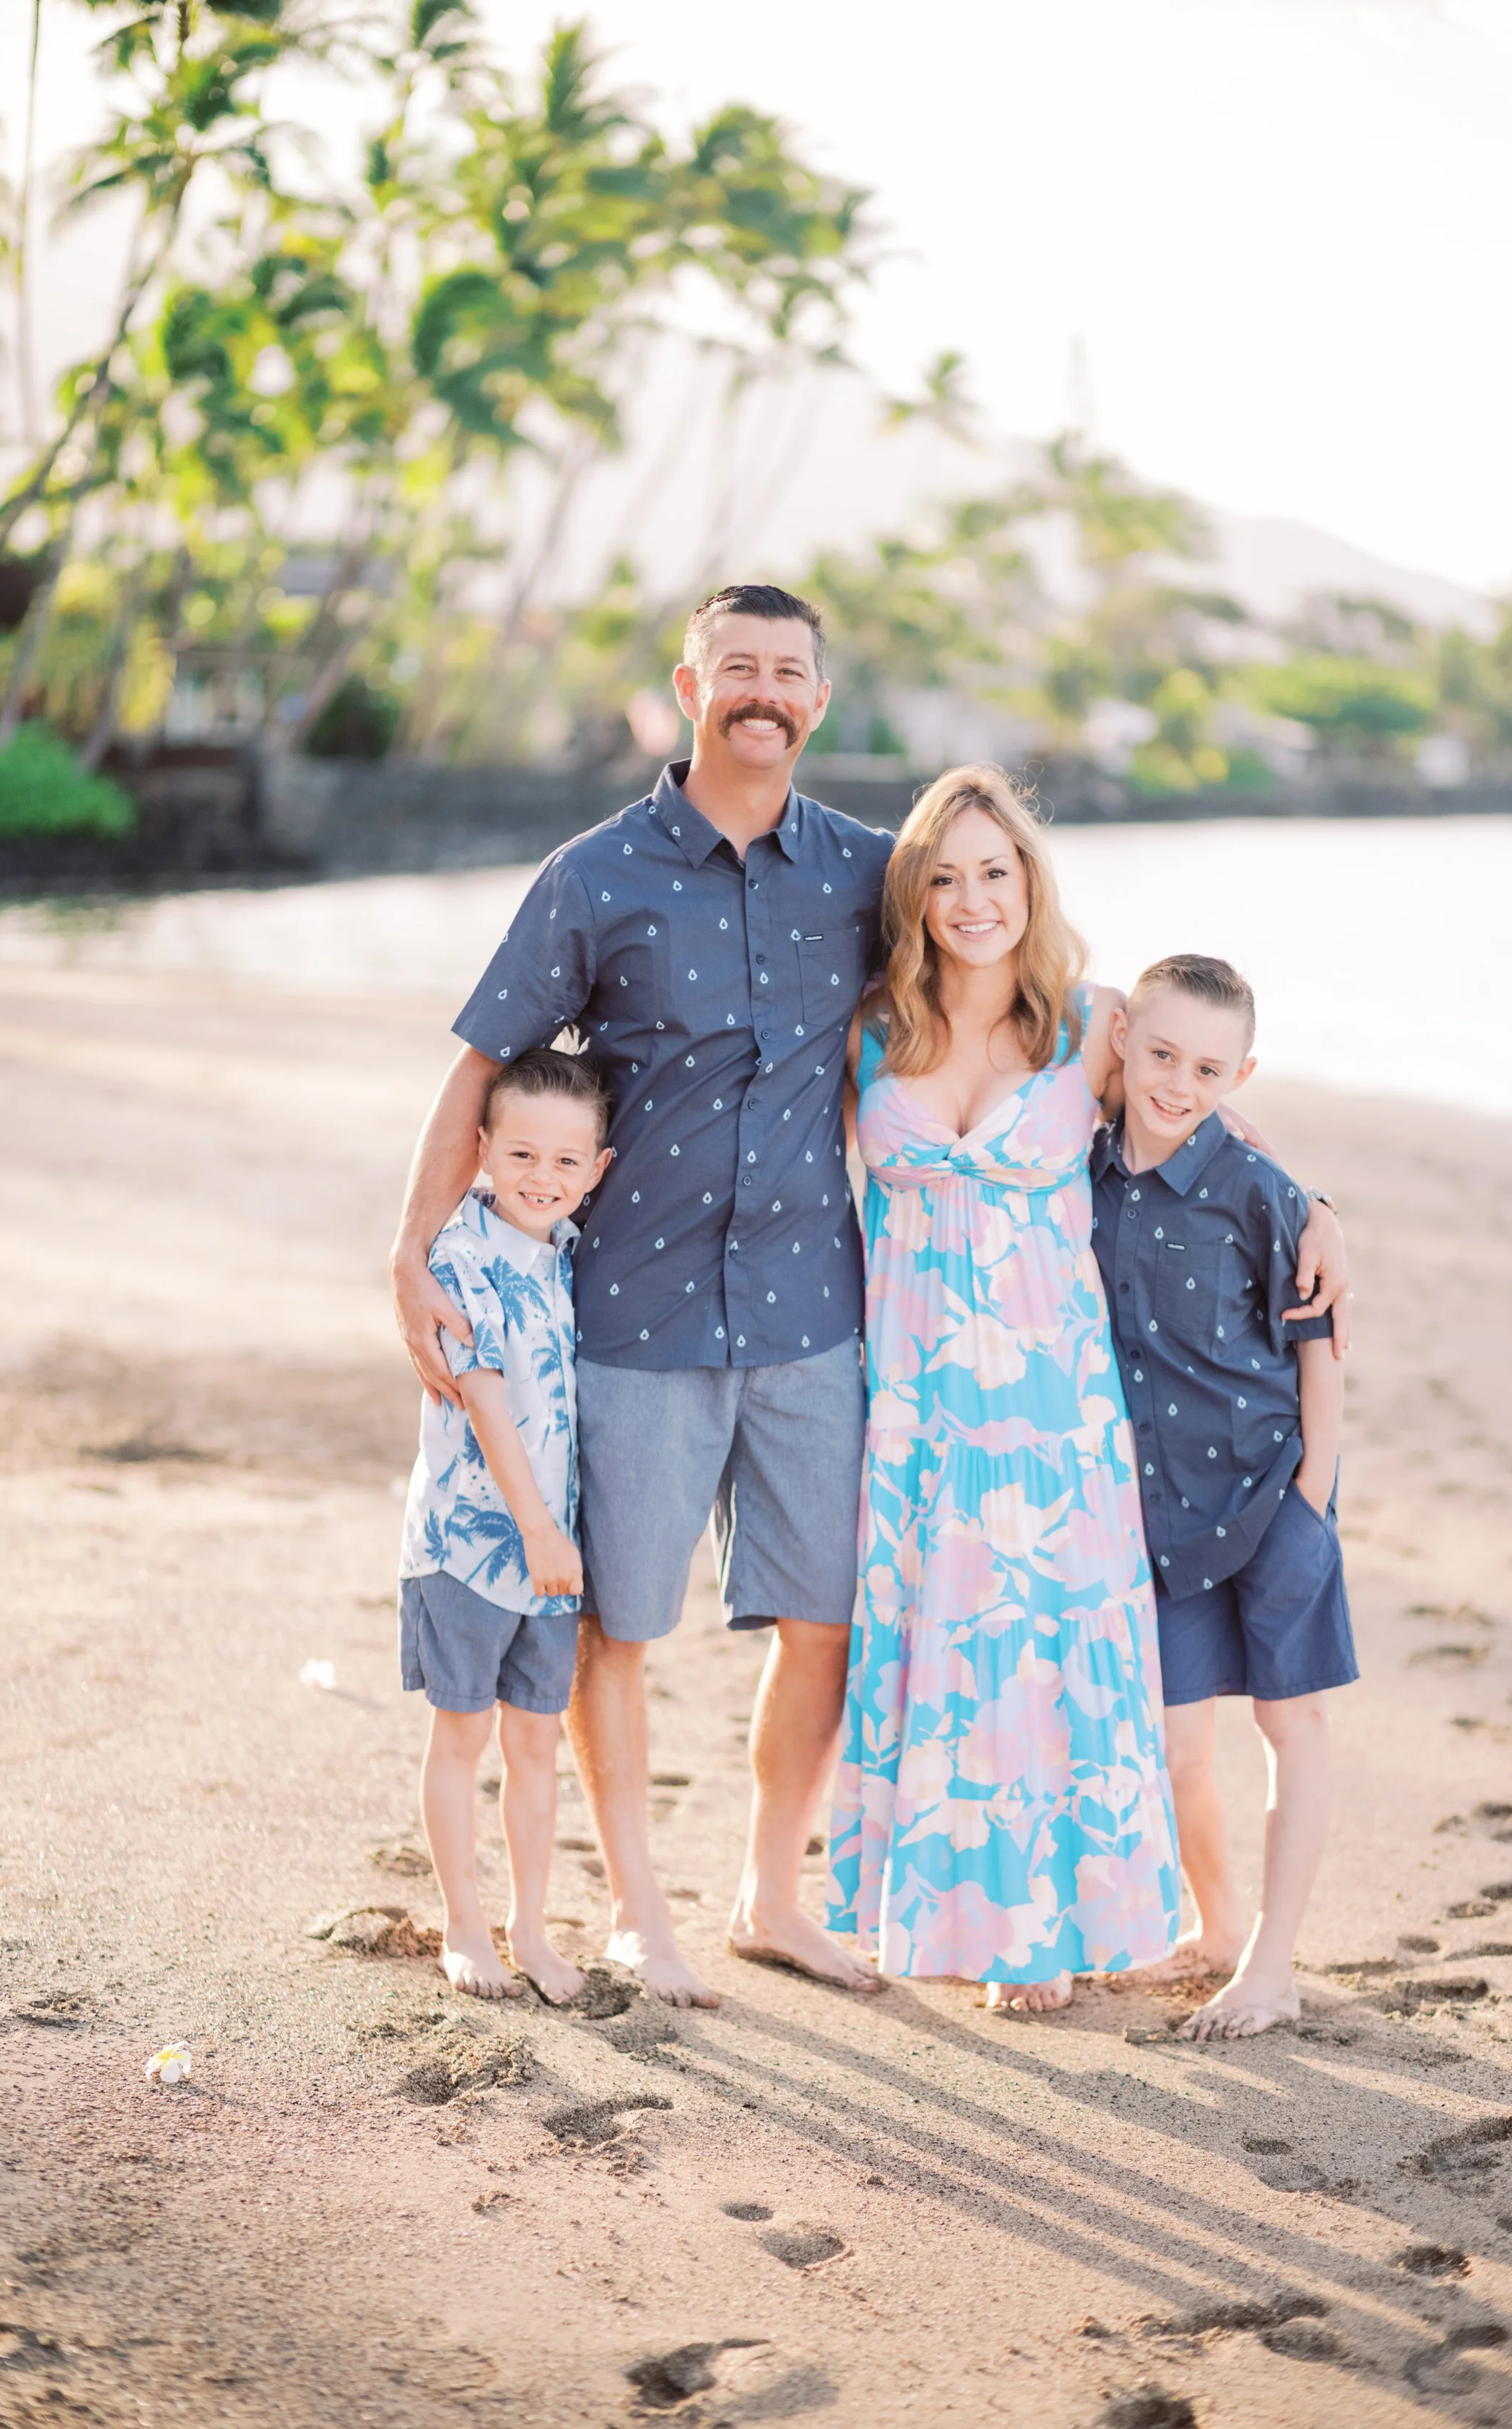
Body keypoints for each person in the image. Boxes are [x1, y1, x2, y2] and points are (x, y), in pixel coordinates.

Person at [390, 583, 893, 2007]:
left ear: (816, 699)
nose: (763, 691)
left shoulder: (866, 869)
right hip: (633, 1317)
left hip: (809, 1307)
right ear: (688, 687)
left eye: (788, 671)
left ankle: (771, 1896)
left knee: (826, 1617)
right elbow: (480, 1068)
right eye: (737, 666)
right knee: (617, 1623)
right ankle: (635, 1914)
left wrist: (1294, 1196)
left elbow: (1013, 975)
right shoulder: (594, 876)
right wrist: (407, 1253)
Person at [826, 767, 1183, 2014]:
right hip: (918, 1399)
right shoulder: (874, 1027)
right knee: (940, 1635)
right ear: (914, 895)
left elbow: (1202, 1125)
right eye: (946, 875)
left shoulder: (1092, 1022)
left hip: (1054, 1401)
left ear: (1030, 879)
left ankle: (1057, 1926)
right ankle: (961, 1917)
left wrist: (1323, 1217)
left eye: (996, 870)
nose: (974, 898)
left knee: (1048, 1640)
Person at [1092, 954, 1356, 2039]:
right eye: (1159, 1055)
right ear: (1124, 1047)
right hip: (1158, 1518)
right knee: (1176, 1748)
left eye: (1207, 1068)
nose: (1178, 1084)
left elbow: (1322, 1354)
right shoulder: (1082, 1173)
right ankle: (1213, 1925)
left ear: (1241, 1071)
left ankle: (1271, 1966)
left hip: (1270, 1501)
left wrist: (1309, 1505)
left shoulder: (1262, 1193)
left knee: (1289, 1726)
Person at [398, 1044, 613, 2005]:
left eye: (567, 1163)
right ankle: (463, 1927)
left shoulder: (565, 1257)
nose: (543, 1179)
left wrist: (555, 1535)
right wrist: (536, 1530)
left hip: (548, 1548)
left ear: (598, 1170)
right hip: (472, 1545)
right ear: (482, 1150)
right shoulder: (461, 1253)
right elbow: (483, 1399)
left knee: (537, 1744)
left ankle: (530, 1928)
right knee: (463, 1736)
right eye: (522, 1155)